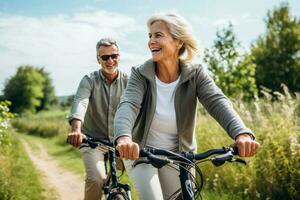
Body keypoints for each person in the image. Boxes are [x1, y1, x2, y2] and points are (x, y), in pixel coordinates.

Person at [113, 13, 260, 200]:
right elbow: (129, 104)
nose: (151, 41)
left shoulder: (196, 74)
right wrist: (124, 138)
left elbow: (217, 102)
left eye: (158, 35)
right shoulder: (141, 74)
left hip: (180, 155)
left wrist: (242, 133)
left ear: (178, 42)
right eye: (150, 36)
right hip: (140, 152)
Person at [67, 38, 127, 200]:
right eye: (105, 57)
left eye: (114, 56)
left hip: (120, 142)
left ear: (119, 56)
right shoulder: (89, 80)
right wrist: (76, 130)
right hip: (93, 141)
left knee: (140, 173)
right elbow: (81, 102)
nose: (110, 61)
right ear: (98, 59)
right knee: (96, 180)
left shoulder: (129, 82)